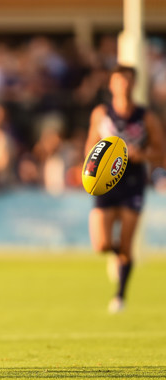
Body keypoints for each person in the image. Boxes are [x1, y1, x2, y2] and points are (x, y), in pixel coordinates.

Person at [85, 65, 164, 313]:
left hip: (132, 183)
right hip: (105, 183)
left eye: (129, 81)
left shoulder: (146, 117)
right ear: (112, 85)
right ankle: (120, 256)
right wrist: (87, 172)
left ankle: (120, 295)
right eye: (120, 81)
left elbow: (160, 152)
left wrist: (141, 155)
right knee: (101, 244)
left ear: (135, 85)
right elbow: (91, 147)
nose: (125, 86)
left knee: (127, 243)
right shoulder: (101, 114)